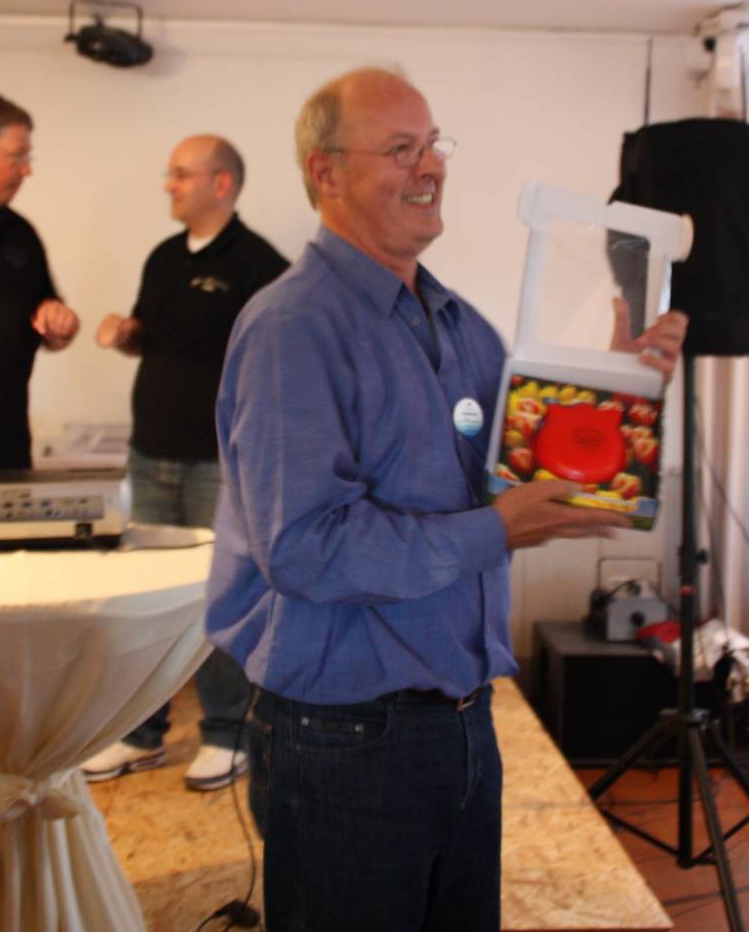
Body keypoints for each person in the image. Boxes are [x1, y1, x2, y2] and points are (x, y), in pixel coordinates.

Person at [205, 70, 687, 930]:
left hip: (465, 725)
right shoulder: (293, 329)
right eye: (401, 149)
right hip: (345, 742)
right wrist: (495, 530)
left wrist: (615, 384)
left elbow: (517, 475)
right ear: (326, 172)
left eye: (433, 144)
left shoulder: (462, 326)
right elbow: (306, 549)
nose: (431, 166)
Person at [81, 135, 289, 791]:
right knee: (145, 599)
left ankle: (228, 735)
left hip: (219, 465)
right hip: (150, 455)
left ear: (221, 183)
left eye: (180, 174)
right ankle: (141, 734)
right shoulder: (164, 256)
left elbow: (284, 363)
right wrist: (125, 334)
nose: (168, 185)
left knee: (222, 598)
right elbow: (149, 338)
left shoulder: (261, 265)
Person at [0, 93, 80, 471]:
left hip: (3, 448)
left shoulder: (21, 235)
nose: (26, 170)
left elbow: (49, 325)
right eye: (17, 156)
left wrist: (60, 324)